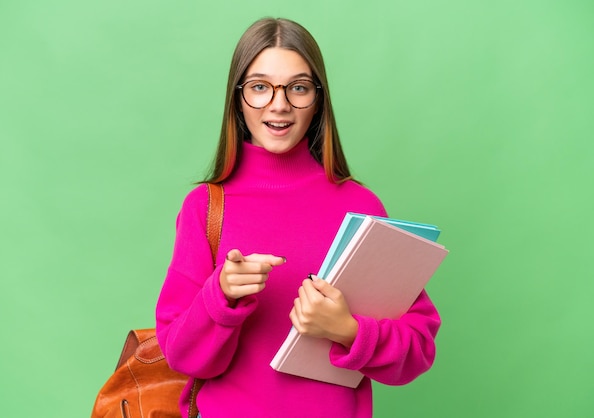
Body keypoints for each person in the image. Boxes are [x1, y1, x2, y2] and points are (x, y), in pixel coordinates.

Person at [156, 17, 440, 418]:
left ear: (318, 99)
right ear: (238, 98)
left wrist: (348, 331)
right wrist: (220, 297)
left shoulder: (362, 207)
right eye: (259, 87)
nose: (279, 104)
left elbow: (417, 349)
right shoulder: (205, 206)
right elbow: (181, 357)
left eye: (298, 88)